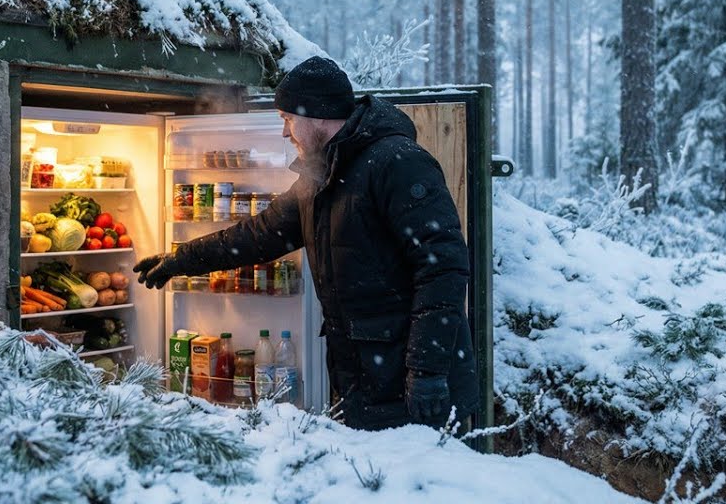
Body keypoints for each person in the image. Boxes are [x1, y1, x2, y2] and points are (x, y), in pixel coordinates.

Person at [134, 56, 477, 431]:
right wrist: (181, 259)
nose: (285, 132)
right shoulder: (322, 175)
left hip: (414, 381)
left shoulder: (398, 163)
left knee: (420, 468)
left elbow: (442, 268)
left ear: (317, 115)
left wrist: (426, 370)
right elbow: (258, 234)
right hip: (362, 376)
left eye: (287, 119)